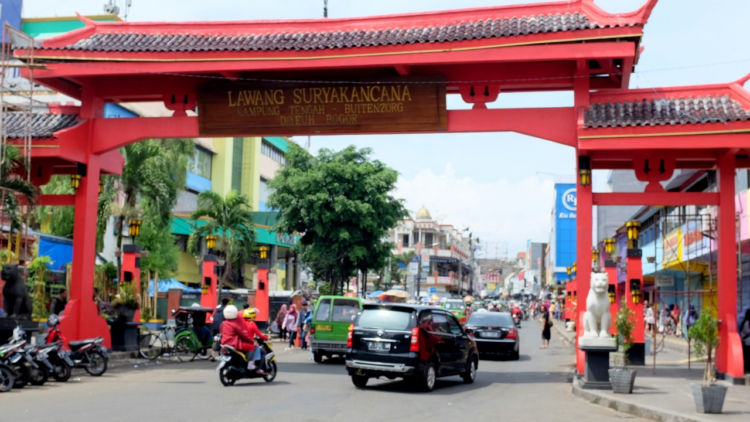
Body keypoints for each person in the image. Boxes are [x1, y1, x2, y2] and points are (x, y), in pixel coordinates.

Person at [220, 304, 264, 374]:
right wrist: (251, 341)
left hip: (224, 343)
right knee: (251, 347)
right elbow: (244, 335)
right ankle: (250, 364)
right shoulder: (236, 323)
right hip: (235, 344)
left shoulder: (223, 323)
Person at [241, 308, 269, 373]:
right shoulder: (252, 324)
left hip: (240, 344)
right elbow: (259, 334)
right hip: (249, 344)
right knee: (262, 351)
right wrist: (266, 338)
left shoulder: (241, 323)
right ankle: (258, 368)